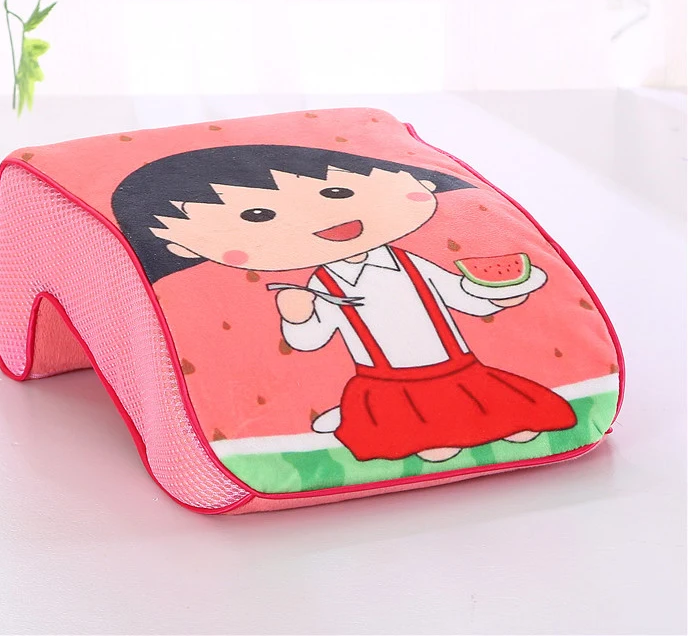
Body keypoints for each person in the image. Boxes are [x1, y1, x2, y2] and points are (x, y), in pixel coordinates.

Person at [112, 144, 577, 463]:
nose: (326, 217)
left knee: (521, 425)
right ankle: (364, 421)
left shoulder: (411, 263)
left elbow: (461, 297)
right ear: (186, 246)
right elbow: (311, 340)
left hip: (458, 367)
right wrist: (297, 316)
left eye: (337, 192)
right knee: (435, 447)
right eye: (256, 215)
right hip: (387, 381)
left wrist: (501, 289)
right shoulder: (320, 284)